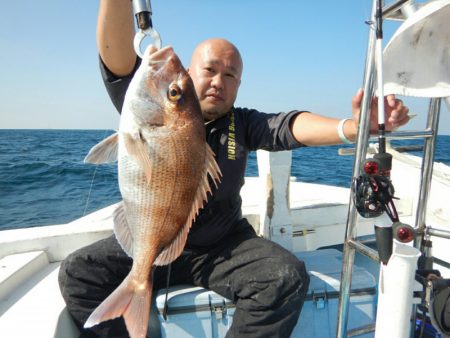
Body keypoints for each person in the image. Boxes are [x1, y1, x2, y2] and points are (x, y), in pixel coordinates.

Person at [58, 1, 410, 338]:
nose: (218, 82)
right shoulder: (149, 105)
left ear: (238, 86)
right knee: (78, 272)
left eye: (230, 75)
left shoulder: (241, 123)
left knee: (285, 278)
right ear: (191, 74)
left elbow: (289, 126)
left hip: (222, 244)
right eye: (209, 70)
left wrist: (355, 125)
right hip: (150, 238)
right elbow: (116, 54)